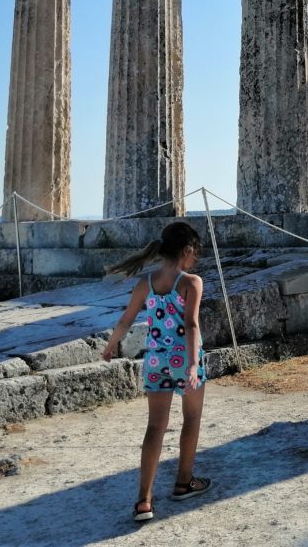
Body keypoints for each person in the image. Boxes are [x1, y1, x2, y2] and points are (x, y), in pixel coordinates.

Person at [101, 221, 212, 522]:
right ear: (187, 251)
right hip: (183, 358)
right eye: (194, 255)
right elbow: (191, 325)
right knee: (191, 419)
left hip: (154, 360)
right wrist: (191, 363)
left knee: (155, 428)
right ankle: (183, 482)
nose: (194, 261)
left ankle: (143, 501)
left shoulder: (145, 283)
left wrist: (112, 345)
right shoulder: (191, 282)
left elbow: (126, 320)